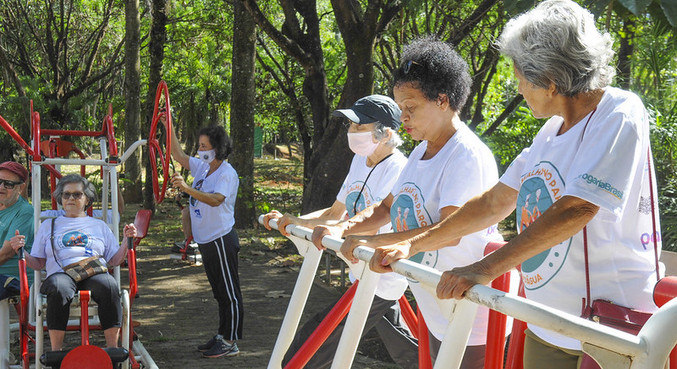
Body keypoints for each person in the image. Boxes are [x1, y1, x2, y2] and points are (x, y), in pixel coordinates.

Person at [381, 1, 663, 368]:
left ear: (549, 78)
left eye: (519, 77)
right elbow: (494, 202)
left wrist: (485, 268)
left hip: (607, 322)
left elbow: (578, 208)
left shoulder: (619, 111)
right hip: (548, 319)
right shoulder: (549, 132)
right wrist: (409, 244)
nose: (518, 87)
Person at [316, 39, 503, 369]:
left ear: (442, 100)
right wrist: (341, 228)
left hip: (468, 312)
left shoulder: (465, 156)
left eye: (411, 108)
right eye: (401, 108)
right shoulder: (419, 152)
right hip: (435, 303)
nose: (403, 117)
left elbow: (451, 231)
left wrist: (373, 242)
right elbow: (386, 208)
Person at [262, 95, 417, 368]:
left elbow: (372, 218)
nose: (351, 132)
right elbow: (335, 213)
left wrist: (331, 228)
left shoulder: (398, 168)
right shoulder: (360, 161)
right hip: (363, 272)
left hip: (379, 277)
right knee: (406, 349)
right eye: (350, 126)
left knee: (311, 348)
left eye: (359, 127)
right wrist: (293, 221)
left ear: (386, 133)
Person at [12, 174, 136, 351]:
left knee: (110, 286)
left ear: (87, 199)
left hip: (93, 272)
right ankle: (57, 352)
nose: (71, 198)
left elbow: (114, 260)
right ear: (60, 198)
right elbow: (38, 263)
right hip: (61, 274)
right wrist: (21, 251)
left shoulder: (99, 225)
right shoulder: (48, 225)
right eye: (66, 194)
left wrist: (126, 240)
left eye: (77, 194)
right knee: (58, 287)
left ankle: (113, 349)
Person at [161, 115, 242, 358]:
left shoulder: (226, 173)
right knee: (219, 291)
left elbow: (217, 200)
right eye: (199, 146)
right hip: (206, 239)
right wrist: (169, 125)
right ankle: (222, 334)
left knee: (229, 292)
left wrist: (186, 189)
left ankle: (230, 341)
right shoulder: (204, 167)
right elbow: (177, 155)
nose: (200, 150)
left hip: (221, 239)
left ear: (217, 148)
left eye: (204, 146)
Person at [0, 161, 34, 300]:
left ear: (20, 188)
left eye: (8, 184)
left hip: (13, 278)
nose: (1, 187)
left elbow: (5, 254)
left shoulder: (25, 212)